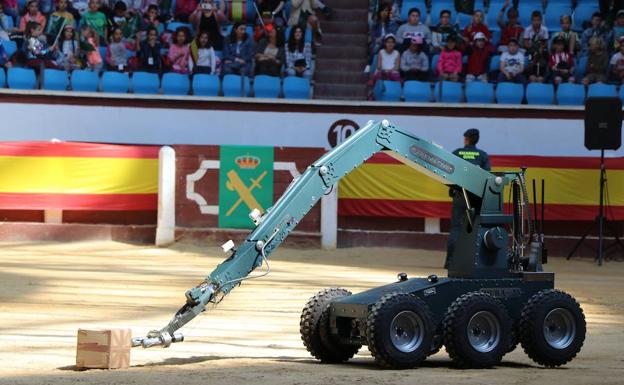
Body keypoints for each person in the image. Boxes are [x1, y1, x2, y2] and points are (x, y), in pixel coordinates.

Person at [445, 128, 490, 269]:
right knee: (475, 228)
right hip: (476, 197)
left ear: (465, 139)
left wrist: (452, 190)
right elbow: (487, 176)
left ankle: (450, 262)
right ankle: (474, 262)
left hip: (459, 195)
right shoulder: (482, 155)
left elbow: (448, 172)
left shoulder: (457, 153)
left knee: (456, 229)